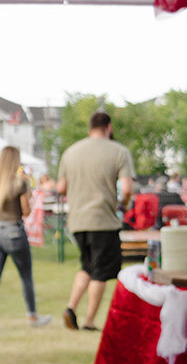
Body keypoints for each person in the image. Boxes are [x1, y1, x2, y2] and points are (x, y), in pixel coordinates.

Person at [57, 111, 134, 331]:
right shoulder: (119, 151)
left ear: (90, 128)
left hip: (78, 220)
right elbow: (127, 188)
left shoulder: (70, 152)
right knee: (100, 272)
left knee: (87, 267)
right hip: (104, 220)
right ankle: (89, 322)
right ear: (108, 127)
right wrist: (124, 204)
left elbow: (61, 187)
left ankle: (71, 307)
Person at [0, 146, 52, 331]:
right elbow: (26, 212)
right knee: (26, 277)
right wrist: (27, 192)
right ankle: (32, 316)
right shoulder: (19, 183)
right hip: (14, 233)